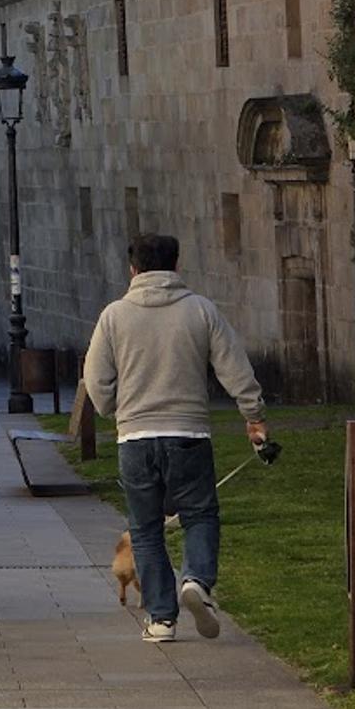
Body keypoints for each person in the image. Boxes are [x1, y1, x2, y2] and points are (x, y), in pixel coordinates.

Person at [83, 232, 268, 643]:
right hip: (188, 432)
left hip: (135, 436)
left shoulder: (114, 316)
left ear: (133, 269)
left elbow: (95, 380)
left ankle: (162, 618)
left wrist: (115, 408)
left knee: (145, 528)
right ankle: (197, 581)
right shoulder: (201, 311)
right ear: (176, 266)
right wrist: (253, 416)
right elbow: (234, 367)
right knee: (200, 514)